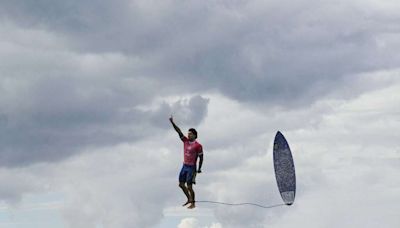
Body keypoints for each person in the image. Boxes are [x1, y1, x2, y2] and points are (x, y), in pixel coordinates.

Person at [169, 115, 203, 209]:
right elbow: (178, 131)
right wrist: (172, 123)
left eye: (190, 134)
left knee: (189, 186)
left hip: (192, 168)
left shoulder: (198, 145)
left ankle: (193, 203)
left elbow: (201, 158)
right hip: (184, 166)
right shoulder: (185, 141)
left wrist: (199, 169)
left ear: (195, 135)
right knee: (181, 184)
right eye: (188, 134)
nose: (188, 135)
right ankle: (189, 199)